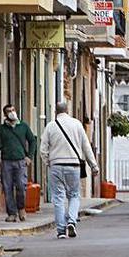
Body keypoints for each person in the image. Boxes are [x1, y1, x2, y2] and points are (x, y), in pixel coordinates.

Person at [40, 102, 99, 239]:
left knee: (58, 198)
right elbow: (86, 146)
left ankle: (61, 230)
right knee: (74, 195)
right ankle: (72, 221)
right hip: (73, 165)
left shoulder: (50, 126)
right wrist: (94, 166)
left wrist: (48, 162)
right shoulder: (77, 124)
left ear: (56, 111)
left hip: (56, 165)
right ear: (67, 110)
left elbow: (43, 150)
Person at [0, 104, 37, 222]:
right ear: (5, 114)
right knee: (7, 187)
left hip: (21, 161)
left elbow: (32, 141)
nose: (12, 112)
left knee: (21, 186)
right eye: (8, 111)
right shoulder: (1, 129)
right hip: (6, 162)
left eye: (13, 110)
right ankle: (11, 213)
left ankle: (21, 208)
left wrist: (29, 157)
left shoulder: (23, 126)